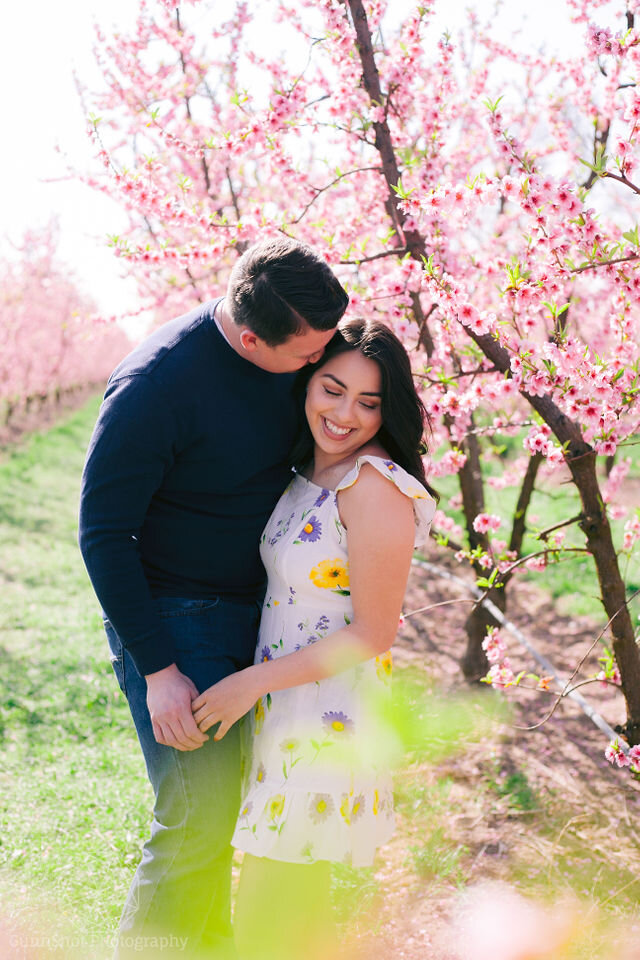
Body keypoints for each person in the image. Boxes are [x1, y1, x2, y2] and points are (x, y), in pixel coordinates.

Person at [78, 236, 349, 959]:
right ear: (253, 337)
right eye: (306, 357)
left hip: (260, 613)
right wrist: (160, 670)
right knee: (197, 816)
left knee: (236, 814)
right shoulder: (156, 389)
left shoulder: (290, 345)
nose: (316, 367)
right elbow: (103, 534)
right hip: (176, 616)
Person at [191, 317, 438, 960]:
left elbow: (375, 632)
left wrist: (250, 683)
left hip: (325, 716)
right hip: (285, 701)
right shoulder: (310, 467)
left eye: (369, 401)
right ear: (307, 380)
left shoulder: (374, 487)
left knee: (274, 898)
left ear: (390, 410)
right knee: (286, 899)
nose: (345, 413)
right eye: (332, 388)